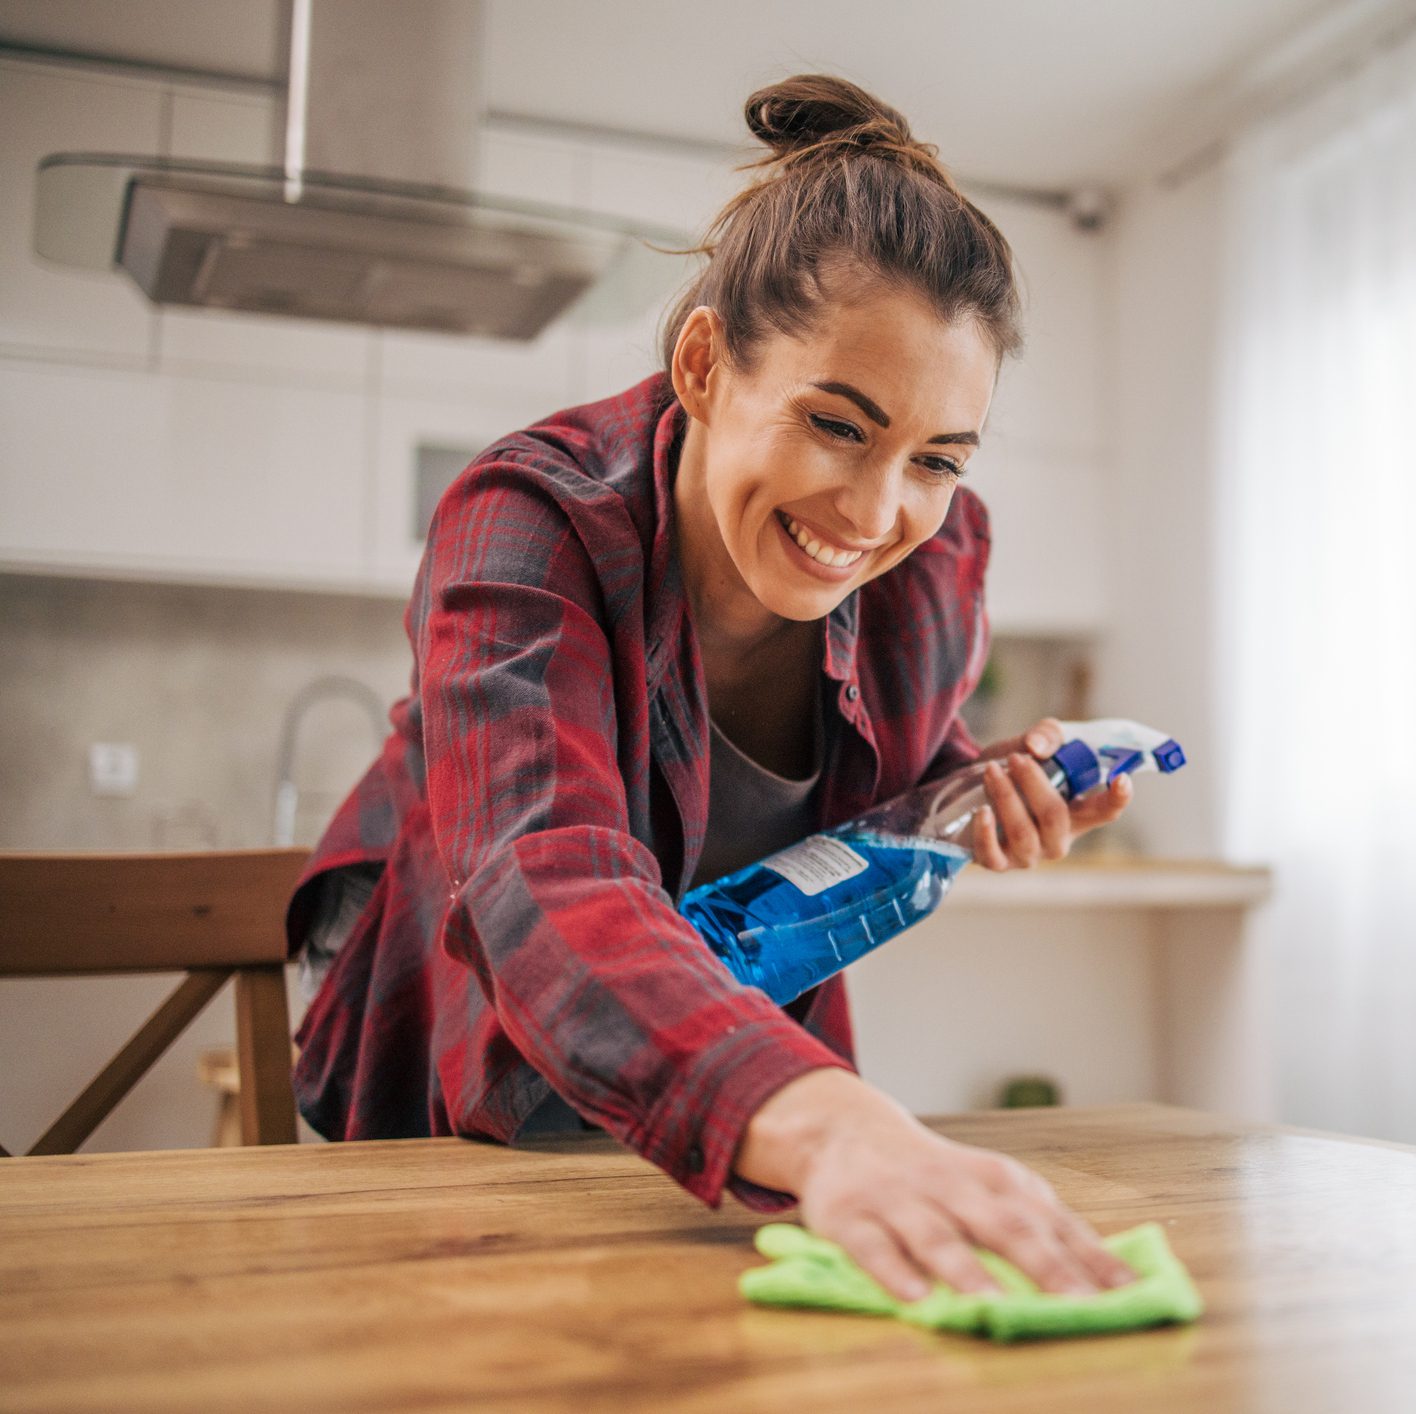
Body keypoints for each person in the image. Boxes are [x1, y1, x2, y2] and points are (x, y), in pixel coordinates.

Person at [288, 74, 1137, 1302]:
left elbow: (892, 758)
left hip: (737, 1143)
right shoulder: (530, 522)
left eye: (935, 458)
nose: (874, 511)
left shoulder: (935, 559)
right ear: (703, 365)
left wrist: (978, 788)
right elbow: (544, 875)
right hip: (473, 1116)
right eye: (837, 425)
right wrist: (841, 1126)